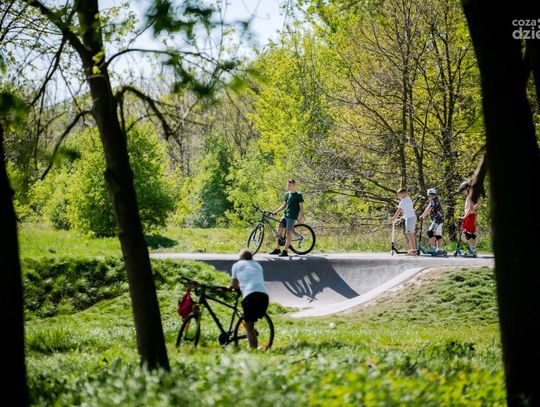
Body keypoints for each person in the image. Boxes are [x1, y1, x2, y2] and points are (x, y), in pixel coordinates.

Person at [229, 249, 269, 349]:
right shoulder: (257, 265)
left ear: (241, 258)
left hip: (250, 296)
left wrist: (228, 288)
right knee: (250, 322)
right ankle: (252, 340)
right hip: (263, 296)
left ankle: (253, 350)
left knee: (249, 327)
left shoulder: (237, 265)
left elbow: (235, 285)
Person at [269, 179, 304, 257]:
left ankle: (285, 251)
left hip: (292, 216)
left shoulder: (299, 195)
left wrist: (300, 218)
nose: (288, 186)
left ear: (294, 185)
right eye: (287, 185)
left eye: (289, 185)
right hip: (285, 215)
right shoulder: (287, 194)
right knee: (279, 231)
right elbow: (284, 205)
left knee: (288, 232)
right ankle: (277, 249)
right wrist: (276, 211)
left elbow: (301, 208)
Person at [389, 187, 417, 255]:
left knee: (409, 233)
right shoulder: (408, 199)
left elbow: (399, 210)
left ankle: (413, 250)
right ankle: (412, 249)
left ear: (404, 193)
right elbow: (407, 210)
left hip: (410, 218)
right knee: (409, 233)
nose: (398, 196)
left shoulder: (403, 200)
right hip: (411, 217)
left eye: (399, 194)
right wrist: (402, 217)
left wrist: (394, 218)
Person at [458, 181, 480, 257]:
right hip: (472, 216)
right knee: (471, 233)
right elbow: (478, 204)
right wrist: (473, 208)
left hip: (469, 216)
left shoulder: (470, 196)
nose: (463, 192)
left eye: (463, 190)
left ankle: (472, 251)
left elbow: (470, 208)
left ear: (467, 188)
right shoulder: (473, 195)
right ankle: (473, 250)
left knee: (467, 233)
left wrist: (464, 217)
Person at [420, 188, 444, 254]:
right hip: (440, 220)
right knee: (438, 235)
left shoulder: (433, 201)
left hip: (437, 220)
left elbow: (429, 208)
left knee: (430, 232)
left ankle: (433, 247)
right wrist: (424, 215)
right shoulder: (436, 201)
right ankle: (439, 249)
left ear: (435, 195)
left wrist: (422, 215)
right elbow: (430, 208)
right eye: (429, 196)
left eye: (431, 195)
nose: (430, 197)